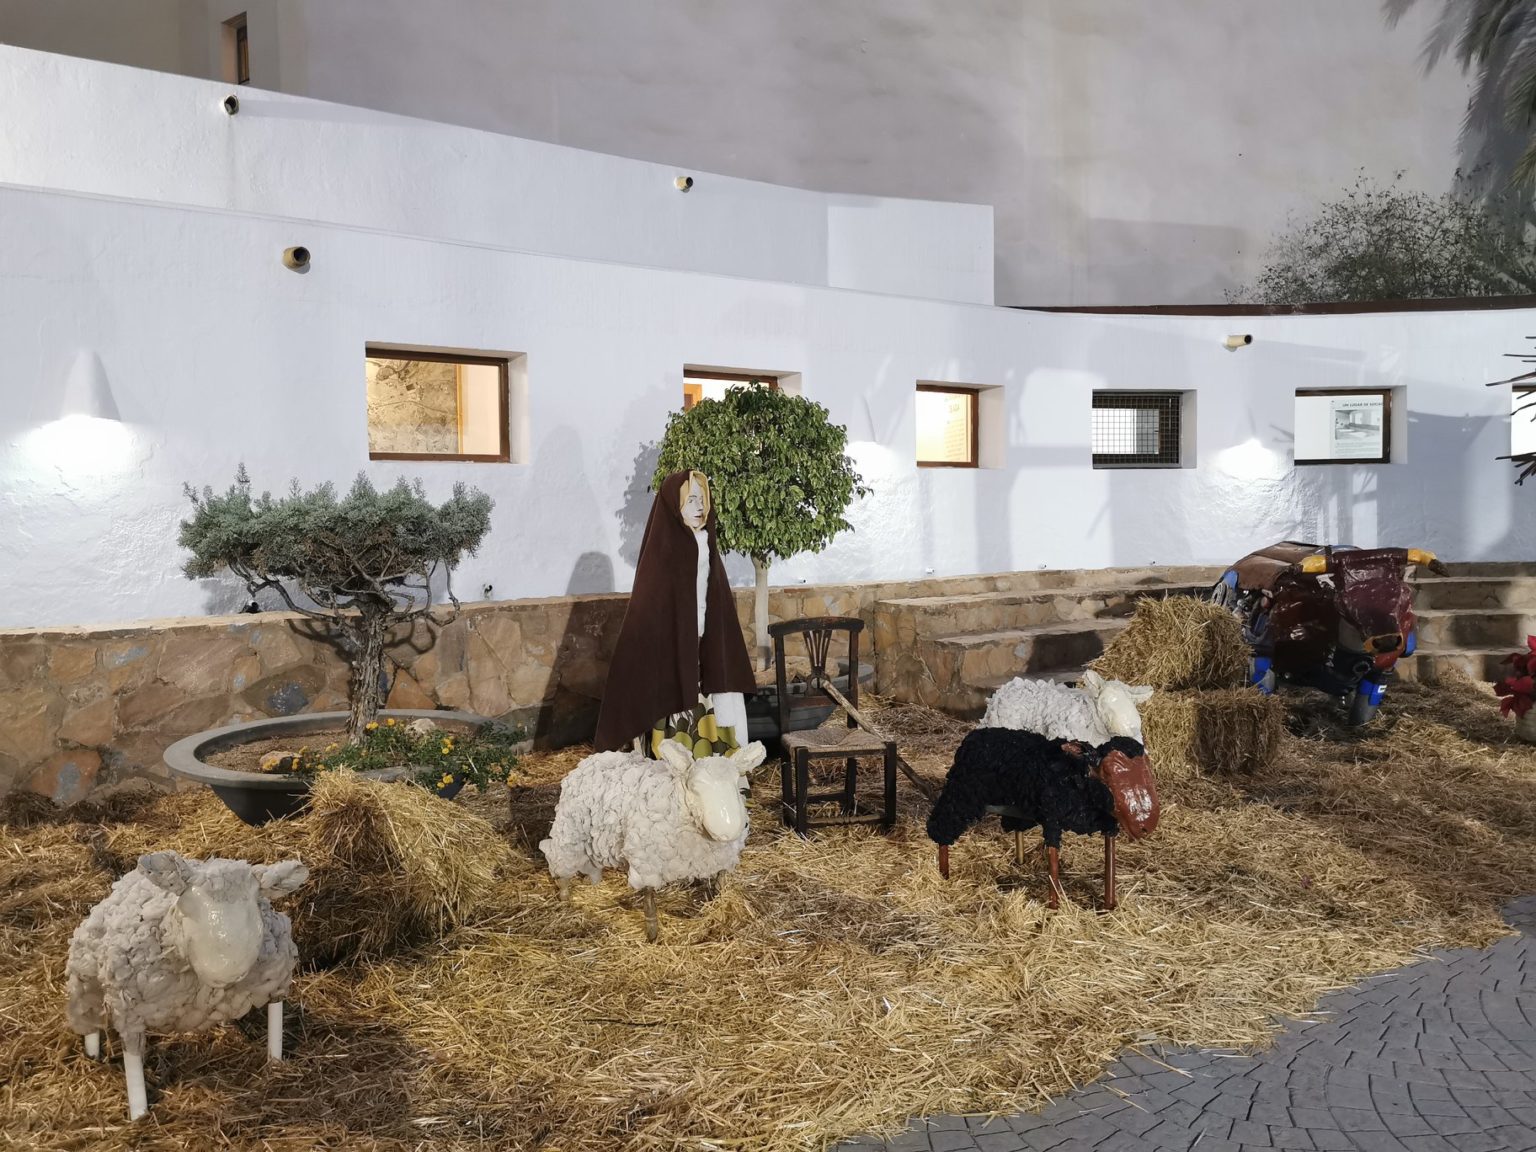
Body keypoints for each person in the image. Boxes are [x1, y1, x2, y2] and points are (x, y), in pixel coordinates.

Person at [594, 470, 756, 754]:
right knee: (674, 706)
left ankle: (713, 766)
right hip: (673, 650)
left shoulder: (707, 544)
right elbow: (653, 606)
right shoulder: (663, 551)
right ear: (674, 505)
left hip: (704, 647)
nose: (699, 507)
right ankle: (673, 768)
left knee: (710, 701)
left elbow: (715, 601)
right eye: (690, 500)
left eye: (702, 499)